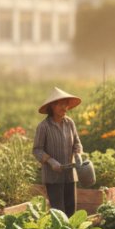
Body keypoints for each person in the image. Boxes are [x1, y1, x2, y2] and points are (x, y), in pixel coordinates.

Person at [33, 87, 84, 216]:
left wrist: (78, 154)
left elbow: (77, 143)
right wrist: (50, 161)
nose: (65, 108)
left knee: (71, 211)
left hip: (70, 175)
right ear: (52, 106)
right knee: (59, 213)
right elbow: (37, 150)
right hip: (53, 177)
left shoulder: (70, 123)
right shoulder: (44, 127)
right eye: (61, 104)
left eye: (66, 104)